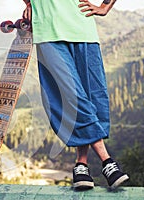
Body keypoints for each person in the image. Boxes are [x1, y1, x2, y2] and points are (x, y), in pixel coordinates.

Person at [22, 0, 129, 190]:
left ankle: (81, 165)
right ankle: (107, 161)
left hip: (83, 28)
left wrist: (105, 6)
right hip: (48, 31)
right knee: (71, 95)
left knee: (91, 97)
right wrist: (30, 4)